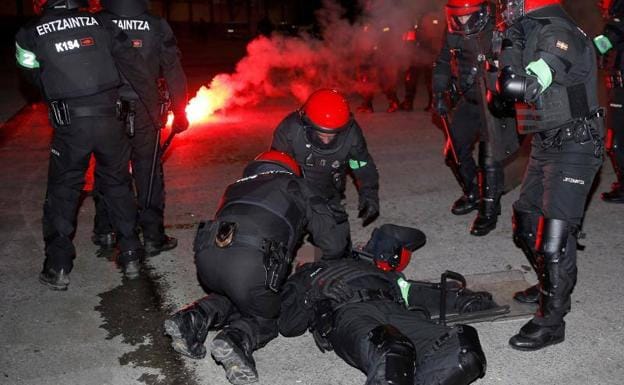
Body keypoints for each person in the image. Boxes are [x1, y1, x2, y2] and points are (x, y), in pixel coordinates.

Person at [163, 151, 350, 385]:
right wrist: (329, 260)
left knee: (238, 295)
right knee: (266, 317)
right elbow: (332, 242)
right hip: (249, 265)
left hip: (207, 260)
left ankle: (191, 318)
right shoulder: (297, 185)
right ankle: (236, 339)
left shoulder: (234, 187)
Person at [16, 0, 162, 289]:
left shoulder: (29, 33)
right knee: (118, 185)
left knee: (63, 191)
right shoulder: (101, 23)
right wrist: (153, 109)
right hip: (111, 119)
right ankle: (132, 253)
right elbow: (134, 65)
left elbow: (31, 74)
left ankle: (58, 267)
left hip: (70, 125)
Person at [495, 0, 604, 350]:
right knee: (526, 220)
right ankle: (549, 285)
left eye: (511, 3)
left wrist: (508, 69)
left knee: (554, 239)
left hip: (576, 146)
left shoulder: (559, 34)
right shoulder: (531, 31)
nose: (506, 9)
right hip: (547, 143)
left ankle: (552, 319)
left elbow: (526, 86)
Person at [278, 224, 490, 385]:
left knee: (464, 353)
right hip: (348, 312)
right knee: (392, 353)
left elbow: (414, 292)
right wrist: (312, 296)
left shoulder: (369, 267)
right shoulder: (305, 276)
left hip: (393, 307)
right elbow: (288, 325)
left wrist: (461, 299)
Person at [92, 0, 189, 257]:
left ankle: (106, 229)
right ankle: (153, 236)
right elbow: (172, 68)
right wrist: (180, 110)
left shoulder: (97, 21)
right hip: (146, 109)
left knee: (109, 170)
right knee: (148, 172)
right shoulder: (156, 25)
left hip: (106, 110)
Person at [432, 0, 517, 236]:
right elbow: (441, 62)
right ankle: (472, 192)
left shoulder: (498, 28)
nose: (462, 21)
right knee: (454, 152)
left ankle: (489, 211)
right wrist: (439, 93)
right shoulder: (451, 31)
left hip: (492, 101)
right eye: (457, 16)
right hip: (469, 100)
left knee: (489, 160)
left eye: (467, 16)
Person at [270, 88, 380, 239]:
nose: (327, 140)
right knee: (276, 236)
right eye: (322, 135)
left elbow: (359, 164)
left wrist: (369, 193)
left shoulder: (351, 134)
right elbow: (275, 169)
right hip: (295, 192)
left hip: (328, 194)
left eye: (332, 135)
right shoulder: (290, 130)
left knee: (337, 245)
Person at [594, 0, 624, 203]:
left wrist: (582, 48)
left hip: (622, 88)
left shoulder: (621, 9)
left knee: (617, 140)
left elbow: (607, 41)